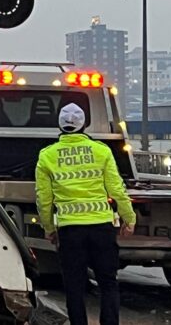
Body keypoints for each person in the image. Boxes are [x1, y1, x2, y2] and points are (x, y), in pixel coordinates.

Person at [35, 103, 136, 325]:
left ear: (60, 124)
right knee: (108, 283)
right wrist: (129, 218)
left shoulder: (47, 156)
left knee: (74, 286)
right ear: (84, 124)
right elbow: (116, 189)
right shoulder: (101, 151)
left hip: (70, 231)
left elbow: (44, 199)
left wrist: (49, 229)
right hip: (101, 228)